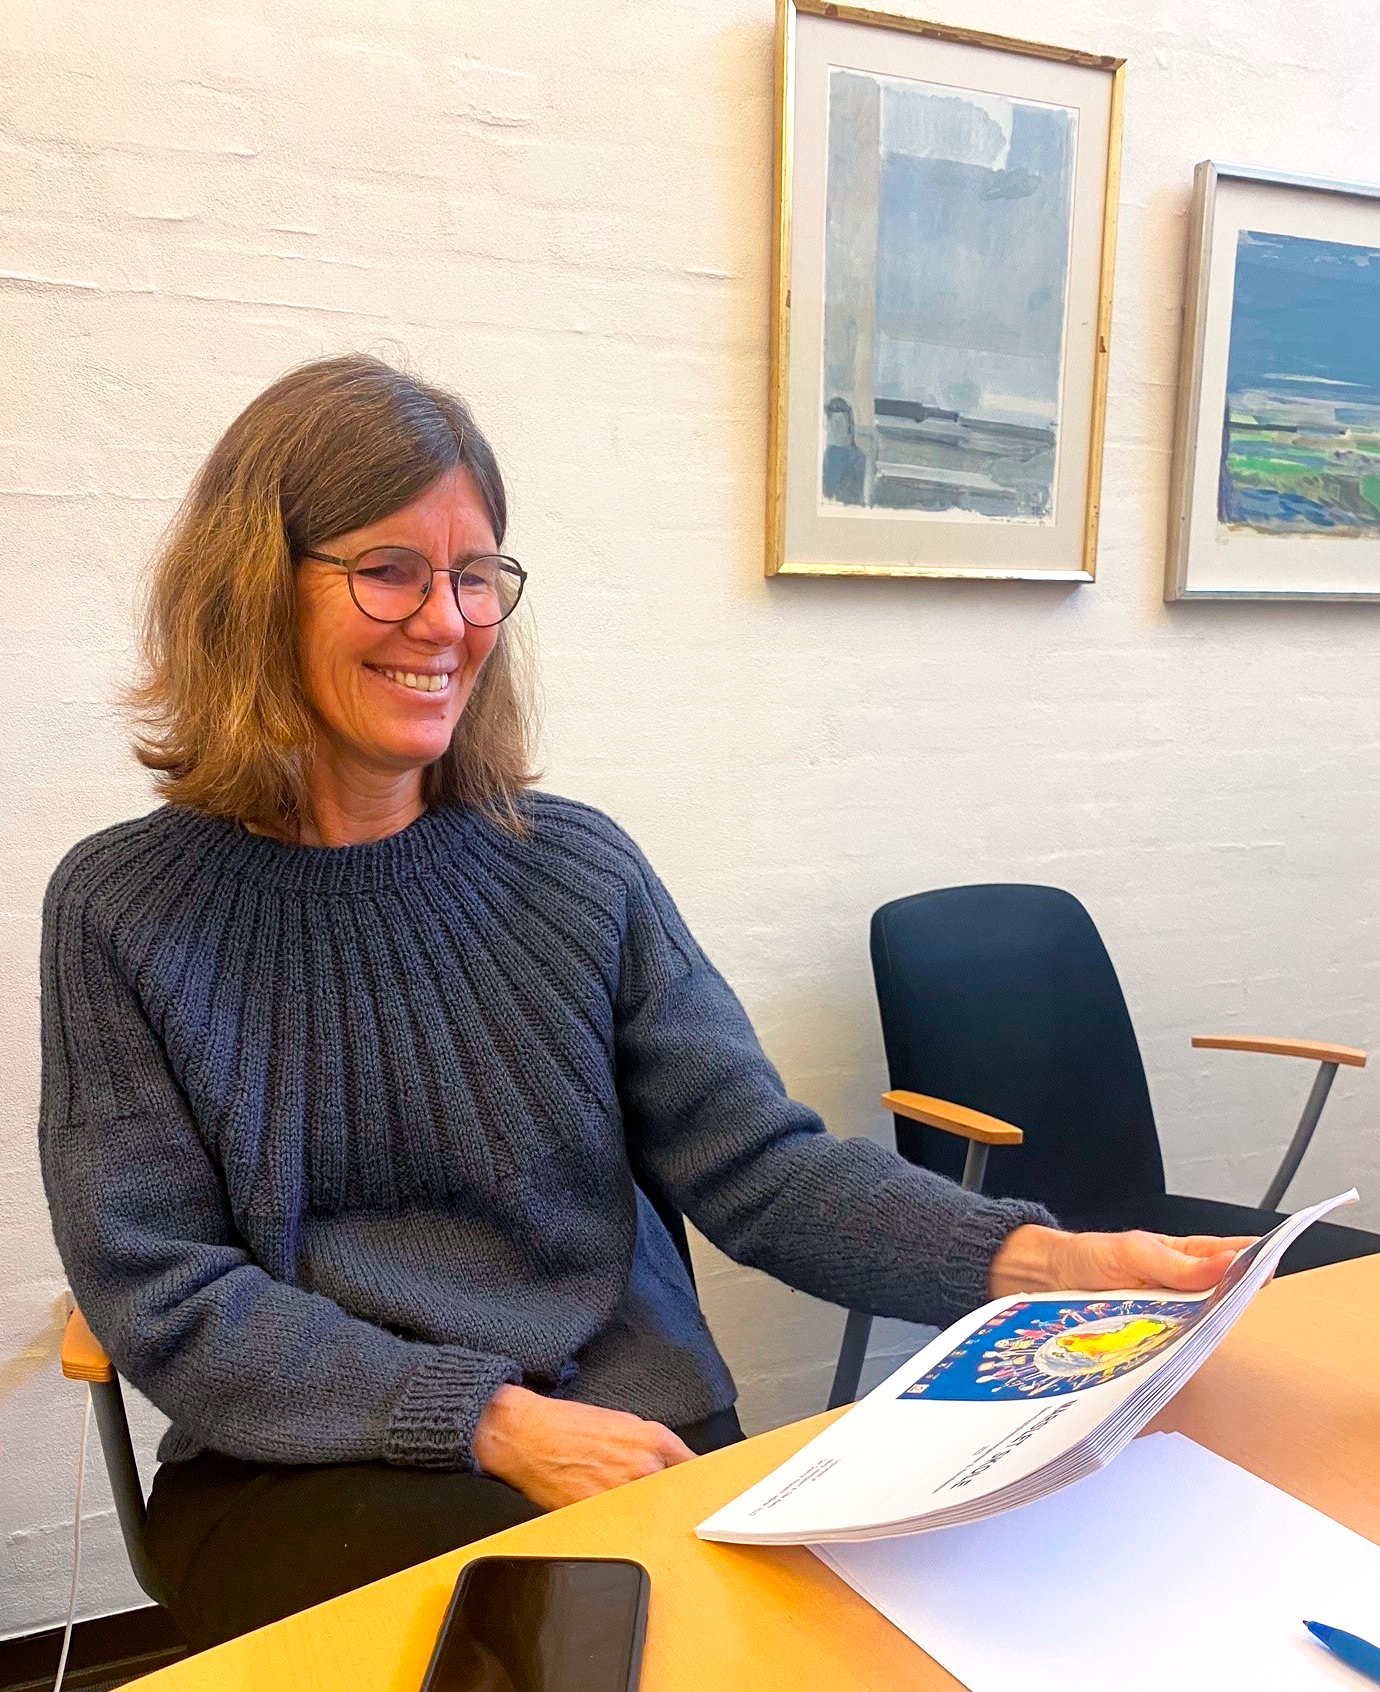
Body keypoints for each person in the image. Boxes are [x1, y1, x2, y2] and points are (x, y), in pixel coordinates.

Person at [38, 356, 1251, 1648]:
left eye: (473, 575)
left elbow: (759, 1166)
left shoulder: (578, 871)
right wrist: (491, 1421)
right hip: (308, 1460)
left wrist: (1044, 1265)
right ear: (251, 589)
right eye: (389, 570)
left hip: (627, 1421)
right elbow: (170, 1295)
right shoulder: (123, 913)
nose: (445, 621)